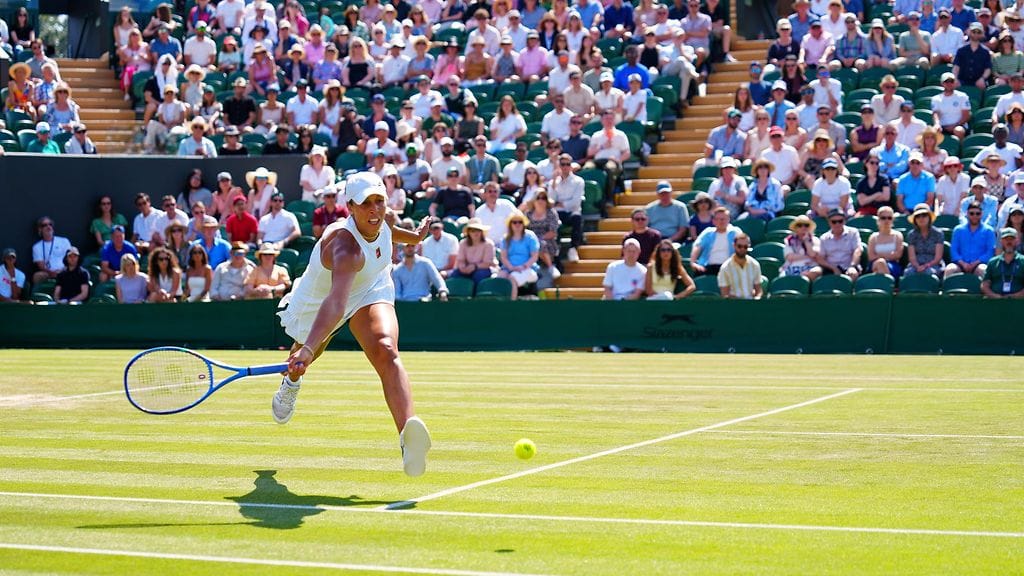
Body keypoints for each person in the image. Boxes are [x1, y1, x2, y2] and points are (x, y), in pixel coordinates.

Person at [274, 172, 433, 476]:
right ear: (350, 207)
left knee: (386, 349)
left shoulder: (382, 219)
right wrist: (308, 348)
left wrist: (416, 236)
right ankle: (290, 383)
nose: (375, 210)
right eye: (366, 204)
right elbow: (335, 304)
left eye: (379, 202)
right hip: (321, 299)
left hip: (370, 286)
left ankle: (407, 438)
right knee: (303, 356)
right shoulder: (345, 248)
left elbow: (390, 231)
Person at [946, 201, 997, 278]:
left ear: (982, 214)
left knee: (983, 270)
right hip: (960, 264)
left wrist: (975, 263)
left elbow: (990, 251)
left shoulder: (988, 231)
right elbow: (954, 250)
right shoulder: (958, 230)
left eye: (978, 213)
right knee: (950, 269)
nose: (975, 216)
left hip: (980, 264)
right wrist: (963, 263)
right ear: (967, 214)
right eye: (972, 213)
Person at [497, 211, 540, 299]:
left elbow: (534, 256)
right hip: (509, 268)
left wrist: (523, 266)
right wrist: (511, 268)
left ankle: (512, 306)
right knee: (499, 279)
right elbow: (503, 257)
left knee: (512, 278)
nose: (517, 224)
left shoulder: (530, 236)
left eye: (520, 222)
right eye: (514, 222)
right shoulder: (505, 238)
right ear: (510, 224)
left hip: (527, 269)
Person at [811, 209, 863, 280]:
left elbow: (858, 250)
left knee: (853, 273)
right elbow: (820, 258)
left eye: (840, 221)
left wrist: (852, 266)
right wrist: (833, 268)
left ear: (844, 221)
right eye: (834, 222)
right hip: (830, 268)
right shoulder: (824, 238)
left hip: (849, 266)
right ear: (829, 222)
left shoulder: (853, 233)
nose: (837, 224)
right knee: (814, 272)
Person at [691, 207, 741, 276]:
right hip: (708, 266)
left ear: (728, 219)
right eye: (717, 219)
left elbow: (742, 246)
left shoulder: (735, 232)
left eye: (723, 219)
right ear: (713, 221)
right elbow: (697, 246)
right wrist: (693, 262)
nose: (720, 221)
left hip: (729, 267)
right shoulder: (708, 232)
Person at [981, 227, 1024, 297]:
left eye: (1012, 239)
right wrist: (994, 296)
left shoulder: (1022, 261)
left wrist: (1014, 296)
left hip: (1018, 303)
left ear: (1017, 241)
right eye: (1006, 239)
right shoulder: (993, 262)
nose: (1009, 242)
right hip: (996, 303)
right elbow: (985, 285)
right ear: (1001, 241)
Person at [717, 233, 762, 299]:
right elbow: (725, 294)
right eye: (739, 246)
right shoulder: (725, 267)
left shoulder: (755, 264)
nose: (742, 249)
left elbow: (758, 290)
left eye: (745, 246)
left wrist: (757, 298)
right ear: (734, 245)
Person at [905, 203, 946, 277]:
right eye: (918, 216)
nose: (921, 218)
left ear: (929, 217)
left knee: (929, 273)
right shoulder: (911, 235)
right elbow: (912, 257)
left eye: (924, 215)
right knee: (909, 273)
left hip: (933, 264)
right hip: (916, 264)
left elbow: (938, 258)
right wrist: (917, 267)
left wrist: (926, 266)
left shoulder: (938, 233)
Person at [782, 215, 822, 279]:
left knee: (816, 271)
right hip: (793, 267)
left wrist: (806, 241)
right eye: (800, 225)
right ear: (796, 228)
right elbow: (790, 257)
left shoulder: (815, 240)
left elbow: (813, 254)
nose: (803, 227)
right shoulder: (789, 240)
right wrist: (808, 256)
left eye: (806, 225)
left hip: (811, 267)